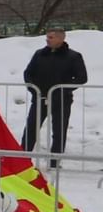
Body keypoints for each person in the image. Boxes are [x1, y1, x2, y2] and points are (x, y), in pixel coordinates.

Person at [21, 29, 87, 166]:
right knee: (31, 128)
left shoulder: (73, 56)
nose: (47, 39)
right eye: (47, 37)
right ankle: (22, 159)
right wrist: (33, 90)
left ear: (60, 39)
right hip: (39, 98)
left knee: (59, 131)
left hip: (61, 100)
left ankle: (54, 162)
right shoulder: (40, 54)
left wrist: (62, 90)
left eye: (51, 37)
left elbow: (81, 78)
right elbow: (28, 73)